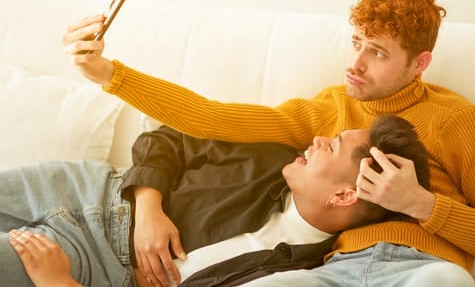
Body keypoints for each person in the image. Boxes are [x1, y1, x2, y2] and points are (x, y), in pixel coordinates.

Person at [63, 0, 475, 286]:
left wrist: (420, 203)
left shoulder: (456, 118)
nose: (354, 63)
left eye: (377, 52)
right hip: (334, 269)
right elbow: (212, 118)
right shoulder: (328, 108)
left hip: (424, 268)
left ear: (419, 63)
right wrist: (111, 74)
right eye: (355, 44)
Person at [2, 115, 430, 287]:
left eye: (332, 146)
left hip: (88, 263)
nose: (319, 139)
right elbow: (165, 138)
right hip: (90, 190)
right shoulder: (269, 157)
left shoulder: (291, 272)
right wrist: (149, 207)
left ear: (343, 195)